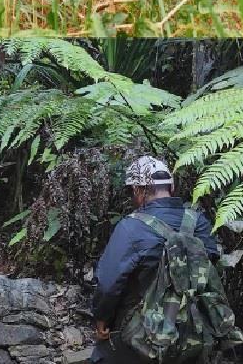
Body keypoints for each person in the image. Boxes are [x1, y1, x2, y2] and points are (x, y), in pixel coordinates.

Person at [91, 156, 221, 364]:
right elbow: (212, 264)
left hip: (143, 334)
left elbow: (108, 285)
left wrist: (102, 319)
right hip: (195, 328)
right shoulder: (200, 223)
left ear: (137, 190)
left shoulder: (130, 228)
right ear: (171, 185)